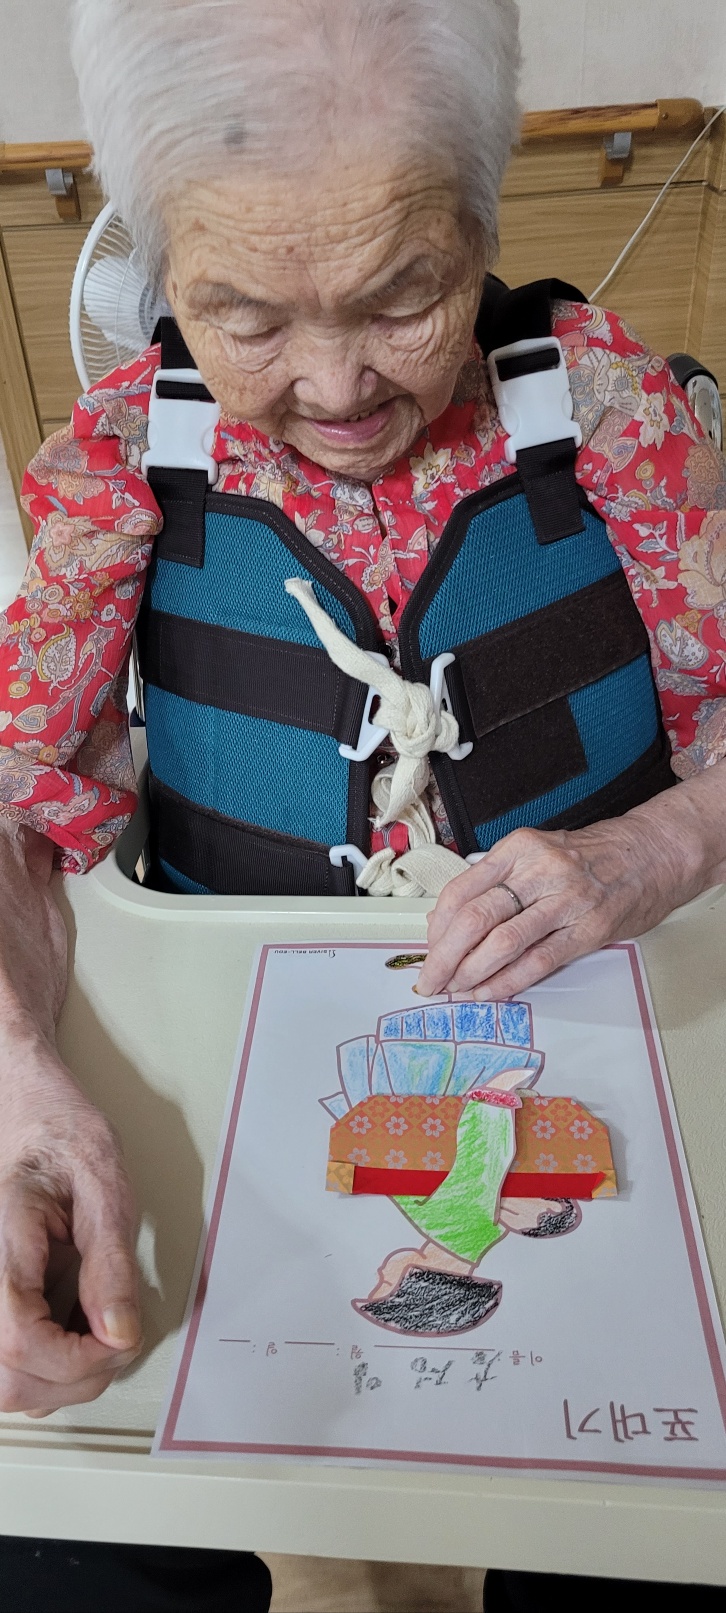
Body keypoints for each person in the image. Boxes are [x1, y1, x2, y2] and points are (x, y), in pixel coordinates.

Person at [1, 0, 725, 1606]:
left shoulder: (607, 409)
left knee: (638, 1539)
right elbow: (17, 808)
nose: (333, 386)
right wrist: (14, 1071)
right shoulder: (122, 464)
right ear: (158, 267)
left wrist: (662, 840)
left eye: (403, 296)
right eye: (243, 315)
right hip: (237, 1065)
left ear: (480, 223)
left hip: (598, 1035)